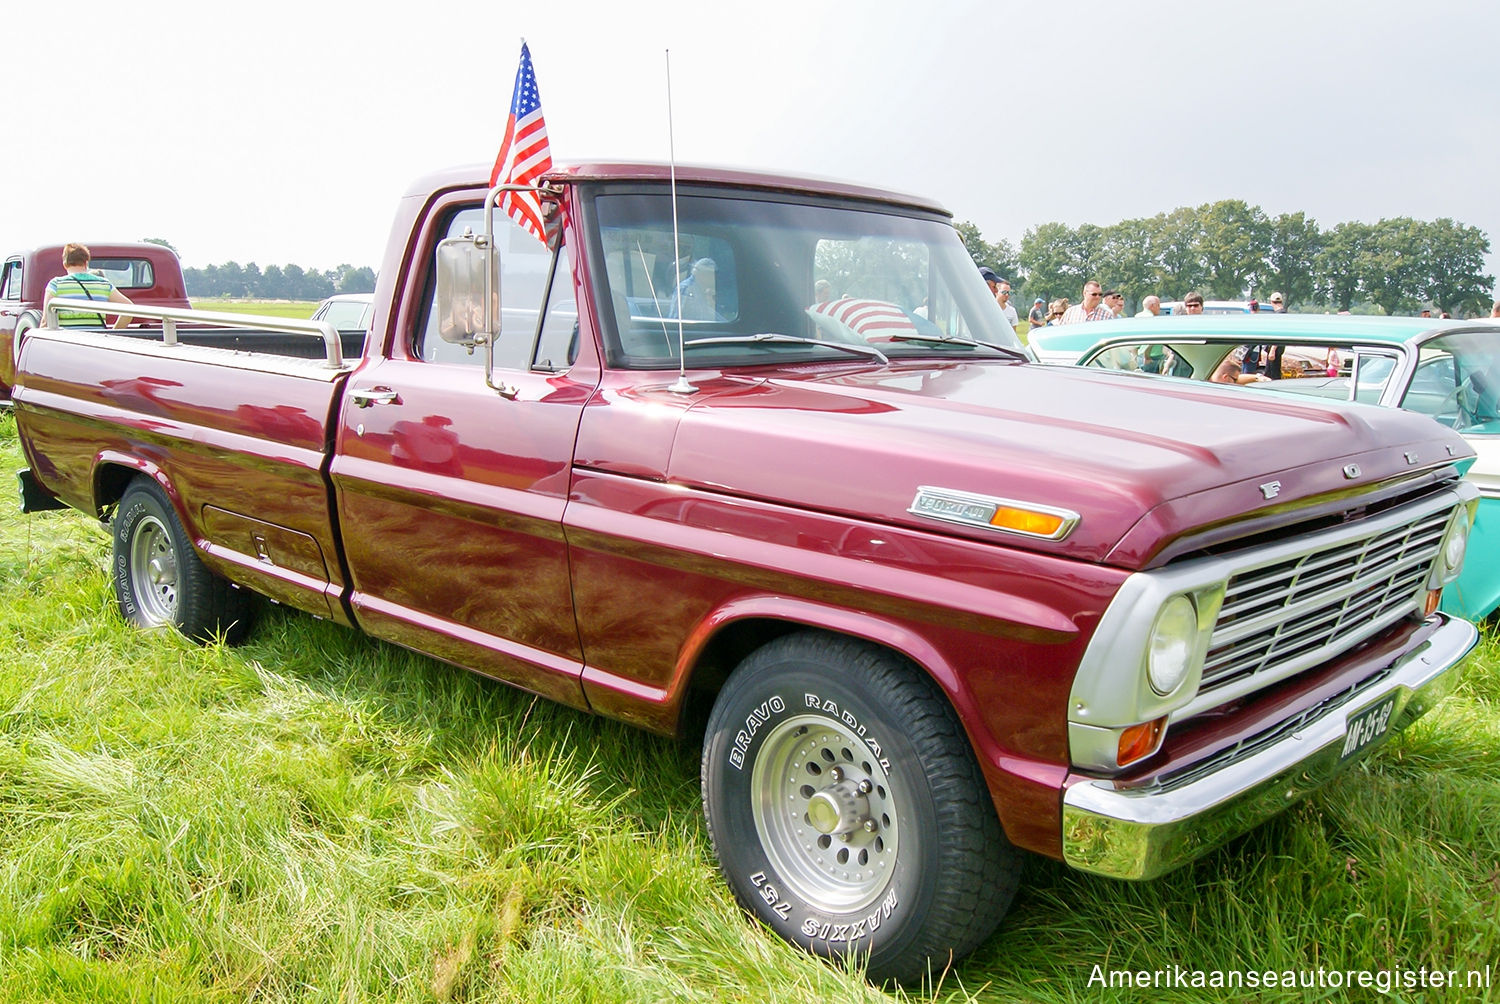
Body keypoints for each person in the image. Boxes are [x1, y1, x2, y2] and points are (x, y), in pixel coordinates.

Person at [41, 243, 135, 328]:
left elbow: (46, 321)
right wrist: (114, 333)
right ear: (86, 263)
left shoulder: (55, 284)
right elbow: (129, 307)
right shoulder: (104, 284)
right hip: (96, 343)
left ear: (65, 264)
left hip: (68, 343)